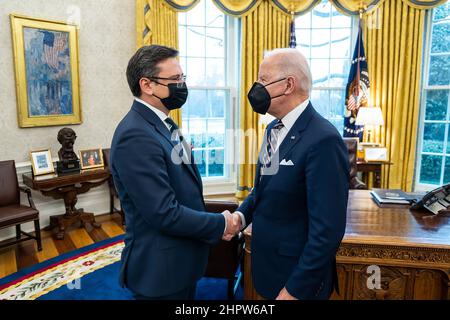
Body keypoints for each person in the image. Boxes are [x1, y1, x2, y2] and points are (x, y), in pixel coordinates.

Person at [110, 45, 242, 300]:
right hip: (160, 270)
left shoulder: (163, 122)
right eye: (175, 80)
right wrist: (221, 223)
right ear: (147, 85)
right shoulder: (135, 134)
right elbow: (163, 213)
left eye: (183, 78)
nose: (182, 85)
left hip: (180, 260)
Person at [235, 48, 349, 300]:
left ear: (288, 84)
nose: (256, 87)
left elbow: (327, 231)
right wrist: (240, 217)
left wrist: (296, 289)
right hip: (268, 269)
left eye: (263, 80)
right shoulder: (272, 131)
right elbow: (262, 190)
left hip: (296, 281)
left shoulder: (324, 140)